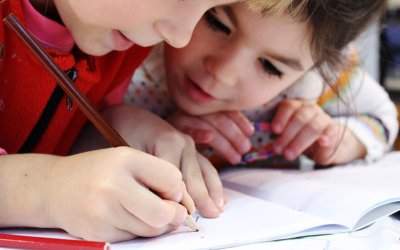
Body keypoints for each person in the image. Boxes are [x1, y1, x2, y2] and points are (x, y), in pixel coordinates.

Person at [0, 0, 295, 243]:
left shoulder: (120, 42)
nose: (180, 37)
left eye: (207, 9)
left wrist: (105, 133)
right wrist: (47, 190)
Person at [124, 0, 398, 168]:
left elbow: (384, 118)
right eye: (216, 23)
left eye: (270, 67)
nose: (223, 73)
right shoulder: (130, 43)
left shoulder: (319, 78)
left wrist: (338, 139)